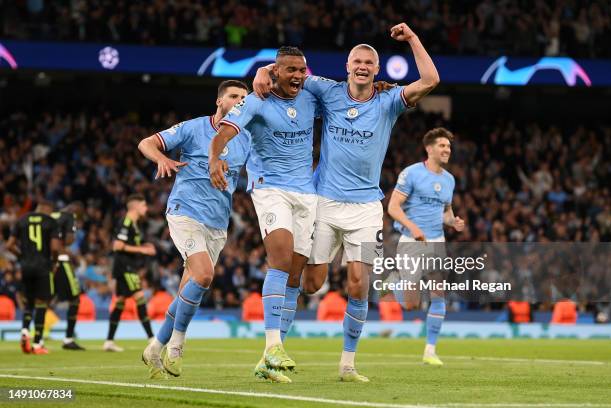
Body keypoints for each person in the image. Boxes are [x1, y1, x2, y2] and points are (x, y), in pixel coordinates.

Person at [253, 22, 439, 382]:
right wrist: (263, 70)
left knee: (359, 282)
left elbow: (430, 80)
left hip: (367, 209)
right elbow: (289, 73)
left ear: (377, 70)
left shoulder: (389, 101)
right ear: (347, 66)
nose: (362, 66)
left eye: (369, 62)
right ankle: (272, 355)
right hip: (323, 203)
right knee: (308, 283)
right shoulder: (327, 90)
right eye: (357, 60)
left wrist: (413, 38)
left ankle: (348, 364)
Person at [209, 46, 319, 383]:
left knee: (296, 278)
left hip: (306, 191)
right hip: (270, 188)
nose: (298, 76)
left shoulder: (312, 94)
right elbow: (226, 130)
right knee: (281, 262)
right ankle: (272, 344)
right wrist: (215, 157)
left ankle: (269, 359)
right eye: (290, 70)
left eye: (302, 70)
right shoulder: (257, 99)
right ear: (275, 73)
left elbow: (347, 92)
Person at [138, 80, 251, 379]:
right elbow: (146, 143)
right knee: (203, 275)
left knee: (190, 287)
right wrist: (162, 158)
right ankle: (176, 345)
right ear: (219, 101)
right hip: (185, 212)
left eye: (244, 97)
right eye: (234, 96)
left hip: (217, 223)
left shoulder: (246, 138)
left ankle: (155, 346)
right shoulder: (193, 128)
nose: (240, 101)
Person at [387, 127, 464, 366]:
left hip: (436, 242)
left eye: (448, 147)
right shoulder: (411, 173)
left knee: (438, 294)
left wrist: (454, 222)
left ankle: (430, 350)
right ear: (429, 149)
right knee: (411, 305)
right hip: (411, 242)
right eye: (442, 146)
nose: (446, 150)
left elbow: (446, 212)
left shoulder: (449, 180)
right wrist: (413, 227)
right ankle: (393, 285)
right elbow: (393, 207)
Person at [103, 194, 157, 352]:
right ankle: (152, 338)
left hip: (125, 266)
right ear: (135, 207)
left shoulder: (134, 224)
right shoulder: (126, 222)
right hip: (125, 267)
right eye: (144, 205)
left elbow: (128, 244)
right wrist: (142, 250)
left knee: (120, 302)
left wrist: (144, 246)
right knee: (140, 298)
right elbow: (117, 246)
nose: (146, 208)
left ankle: (109, 341)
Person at [6, 200, 60, 355]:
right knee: (42, 303)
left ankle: (24, 330)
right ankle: (37, 343)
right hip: (43, 266)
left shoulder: (22, 220)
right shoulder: (50, 222)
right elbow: (55, 247)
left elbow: (9, 245)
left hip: (26, 267)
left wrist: (22, 257)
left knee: (28, 302)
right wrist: (54, 262)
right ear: (47, 209)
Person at [51, 201, 86, 350]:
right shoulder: (69, 216)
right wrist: (71, 254)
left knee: (44, 298)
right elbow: (69, 240)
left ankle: (34, 338)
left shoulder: (52, 215)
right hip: (61, 260)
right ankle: (68, 338)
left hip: (46, 261)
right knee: (75, 299)